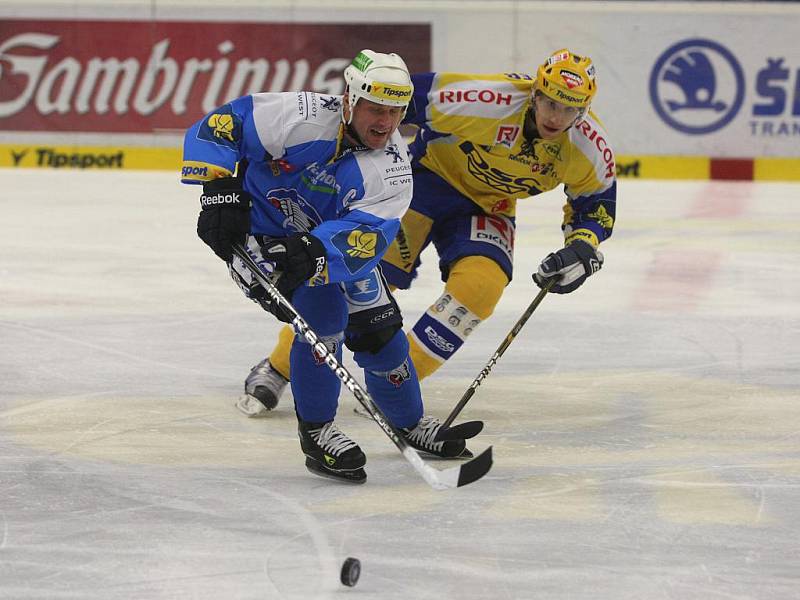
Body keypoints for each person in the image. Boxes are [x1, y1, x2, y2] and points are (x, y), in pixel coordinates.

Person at [240, 48, 616, 414]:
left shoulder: (588, 145)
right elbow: (406, 96)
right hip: (424, 183)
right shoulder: (488, 100)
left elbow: (596, 204)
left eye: (570, 109)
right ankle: (278, 367)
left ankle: (398, 385)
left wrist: (582, 247)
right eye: (550, 102)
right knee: (358, 277)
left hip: (491, 207)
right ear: (535, 93)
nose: (556, 116)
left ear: (583, 110)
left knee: (481, 287)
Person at [181, 49, 475, 484]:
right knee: (323, 317)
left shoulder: (391, 168)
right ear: (350, 99)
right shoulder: (299, 115)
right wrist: (220, 188)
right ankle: (317, 431)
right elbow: (223, 124)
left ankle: (410, 424)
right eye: (376, 108)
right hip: (261, 240)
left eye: (395, 112)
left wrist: (315, 252)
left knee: (382, 336)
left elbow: (367, 235)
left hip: (325, 247)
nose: (385, 123)